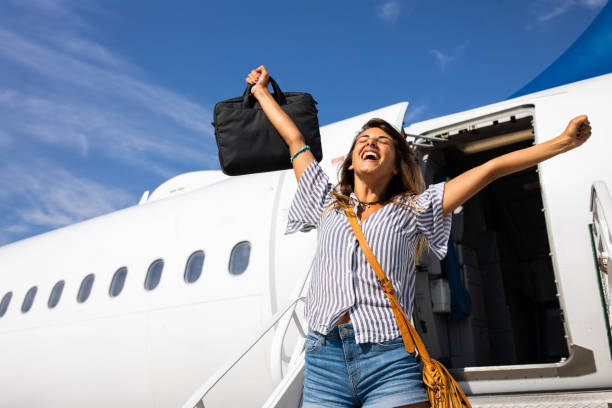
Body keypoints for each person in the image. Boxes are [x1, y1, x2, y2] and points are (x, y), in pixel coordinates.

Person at [245, 65, 591, 408]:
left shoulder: (415, 207)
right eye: (363, 140)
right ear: (350, 161)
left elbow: (489, 170)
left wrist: (562, 142)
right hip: (324, 360)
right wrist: (261, 92)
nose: (371, 143)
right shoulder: (326, 201)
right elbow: (295, 140)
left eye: (382, 141)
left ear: (396, 165)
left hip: (388, 358)